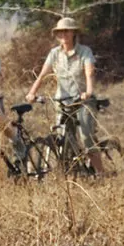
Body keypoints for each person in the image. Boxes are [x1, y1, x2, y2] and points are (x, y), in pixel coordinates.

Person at [24, 16, 102, 173]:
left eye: (66, 31)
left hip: (82, 101)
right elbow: (43, 75)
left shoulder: (84, 52)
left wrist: (88, 91)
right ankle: (71, 170)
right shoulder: (54, 54)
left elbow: (89, 73)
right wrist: (32, 93)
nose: (63, 35)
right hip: (62, 102)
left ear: (74, 33)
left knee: (86, 136)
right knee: (61, 136)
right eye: (60, 32)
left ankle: (101, 173)